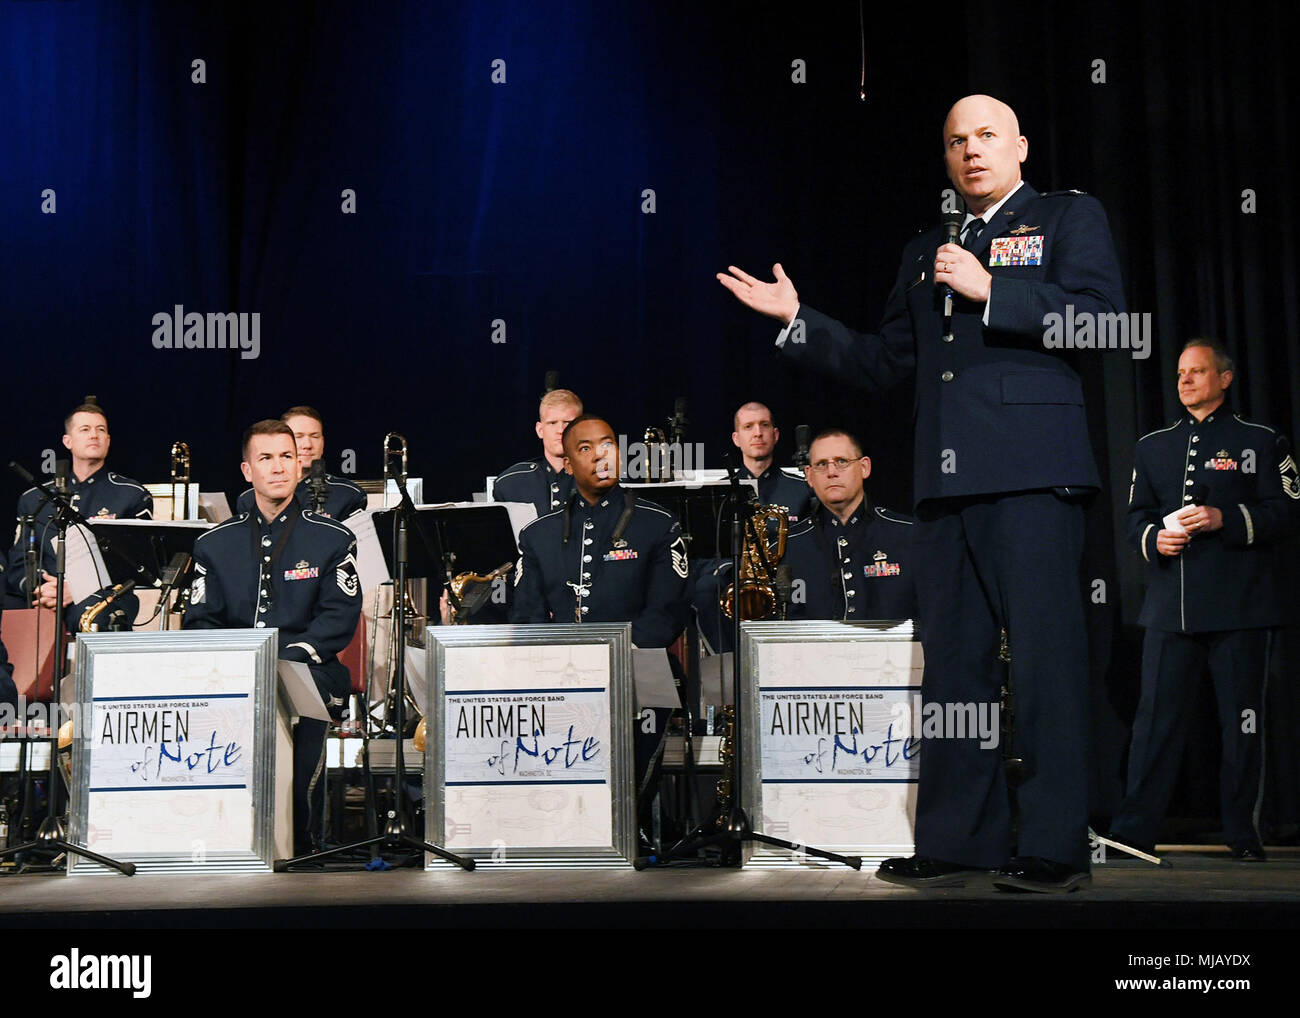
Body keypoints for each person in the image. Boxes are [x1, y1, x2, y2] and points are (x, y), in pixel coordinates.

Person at [718, 94, 1126, 892]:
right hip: (943, 488)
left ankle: (1051, 846)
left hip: (1033, 476)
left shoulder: (1066, 219)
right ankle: (959, 839)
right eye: (954, 142)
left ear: (1020, 145)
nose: (970, 151)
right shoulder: (922, 249)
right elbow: (881, 366)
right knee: (953, 674)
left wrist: (993, 292)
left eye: (985, 137)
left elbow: (1104, 324)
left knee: (1045, 667)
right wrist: (799, 319)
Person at [1107, 340, 1297, 862]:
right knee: (1153, 728)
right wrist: (1154, 540)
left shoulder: (1260, 439)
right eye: (1181, 373)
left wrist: (1225, 520)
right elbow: (1134, 518)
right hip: (1171, 607)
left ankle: (1242, 834)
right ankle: (1132, 832)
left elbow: (1287, 512)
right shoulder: (1152, 445)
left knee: (1242, 726)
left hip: (1242, 607)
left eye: (1198, 372)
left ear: (1226, 378)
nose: (1186, 380)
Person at [510, 415, 691, 844]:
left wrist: (608, 659)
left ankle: (626, 828)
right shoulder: (538, 535)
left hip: (639, 671)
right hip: (560, 676)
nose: (600, 455)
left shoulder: (658, 524)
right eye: (586, 448)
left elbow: (666, 613)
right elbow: (527, 617)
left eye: (608, 444)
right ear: (568, 463)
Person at [185, 420, 363, 855]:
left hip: (309, 671)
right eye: (266, 458)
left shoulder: (333, 538)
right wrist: (242, 663)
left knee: (303, 698)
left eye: (287, 457)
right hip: (235, 673)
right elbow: (199, 620)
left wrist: (282, 660)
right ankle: (221, 838)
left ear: (300, 466)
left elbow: (338, 617)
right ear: (247, 470)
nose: (279, 467)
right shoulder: (213, 544)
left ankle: (304, 840)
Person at [7, 400, 151, 631]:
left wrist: (78, 588)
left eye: (100, 430)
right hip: (45, 592)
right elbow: (19, 560)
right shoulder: (33, 498)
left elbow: (138, 564)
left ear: (108, 441)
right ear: (68, 441)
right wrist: (41, 587)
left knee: (97, 618)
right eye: (85, 429)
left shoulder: (131, 494)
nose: (94, 435)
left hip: (105, 594)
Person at [783, 429, 916, 622]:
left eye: (842, 462)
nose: (831, 472)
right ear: (809, 477)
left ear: (864, 467)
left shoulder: (909, 534)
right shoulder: (788, 545)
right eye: (821, 464)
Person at [234, 406, 366, 521]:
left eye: (314, 436)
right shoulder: (249, 499)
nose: (307, 445)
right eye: (298, 436)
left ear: (323, 443)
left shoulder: (348, 495)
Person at [492, 389, 582, 516]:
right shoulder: (510, 482)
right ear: (540, 430)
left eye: (568, 423)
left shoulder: (599, 479)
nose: (561, 430)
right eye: (552, 423)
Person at [731, 401, 813, 520]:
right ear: (736, 439)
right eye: (748, 426)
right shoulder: (720, 493)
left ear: (775, 435)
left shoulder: (803, 489)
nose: (758, 433)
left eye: (764, 425)